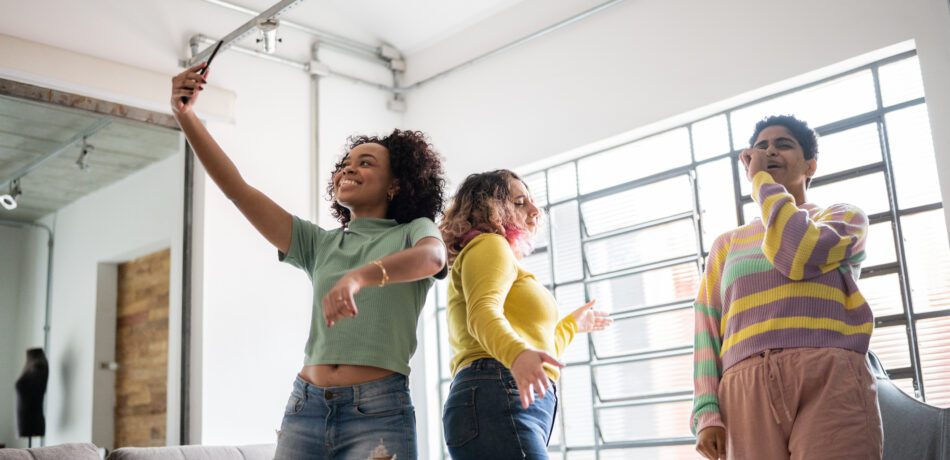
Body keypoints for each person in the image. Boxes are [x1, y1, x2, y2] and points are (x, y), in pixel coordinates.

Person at [171, 62, 447, 459]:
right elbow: (237, 190)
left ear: (396, 185)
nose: (348, 167)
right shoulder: (317, 244)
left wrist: (360, 278)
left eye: (366, 162)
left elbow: (433, 257)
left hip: (379, 412)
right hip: (305, 406)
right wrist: (186, 116)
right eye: (345, 163)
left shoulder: (412, 231)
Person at [690, 115, 881, 460]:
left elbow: (797, 251)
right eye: (761, 147)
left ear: (810, 165)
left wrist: (763, 181)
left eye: (783, 144)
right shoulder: (726, 244)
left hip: (830, 379)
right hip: (744, 389)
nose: (770, 151)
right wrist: (706, 412)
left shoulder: (843, 219)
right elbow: (706, 330)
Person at [439, 169, 613, 459]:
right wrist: (517, 355)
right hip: (497, 389)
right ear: (491, 209)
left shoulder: (502, 257)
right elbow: (482, 313)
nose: (535, 210)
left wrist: (571, 325)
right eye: (520, 202)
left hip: (509, 394)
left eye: (532, 201)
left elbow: (537, 348)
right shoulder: (489, 244)